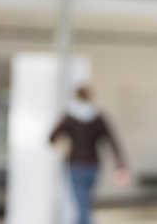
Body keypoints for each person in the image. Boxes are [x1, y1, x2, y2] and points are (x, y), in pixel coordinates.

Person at [49, 86, 129, 224]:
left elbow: (51, 137)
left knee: (82, 205)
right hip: (93, 166)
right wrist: (120, 165)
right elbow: (113, 141)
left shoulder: (70, 116)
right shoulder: (98, 117)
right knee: (84, 203)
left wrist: (65, 147)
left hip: (76, 165)